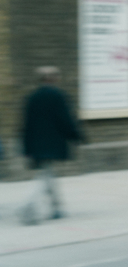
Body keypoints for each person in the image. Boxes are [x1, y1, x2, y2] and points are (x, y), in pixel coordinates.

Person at [19, 66, 82, 225]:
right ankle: (29, 206)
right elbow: (65, 119)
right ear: (53, 79)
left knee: (48, 174)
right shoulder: (58, 96)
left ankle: (56, 208)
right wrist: (76, 136)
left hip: (36, 144)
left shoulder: (32, 97)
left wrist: (26, 147)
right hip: (52, 143)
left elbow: (25, 124)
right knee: (44, 176)